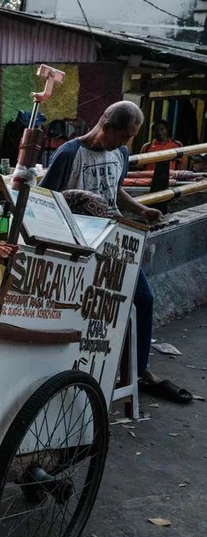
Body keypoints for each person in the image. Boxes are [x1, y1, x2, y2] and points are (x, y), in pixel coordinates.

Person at [40, 101, 192, 404]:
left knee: (144, 299)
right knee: (86, 310)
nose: (126, 143)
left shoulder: (120, 153)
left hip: (117, 242)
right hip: (80, 245)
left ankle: (138, 369)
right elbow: (44, 200)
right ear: (107, 127)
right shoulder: (70, 154)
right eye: (124, 136)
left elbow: (114, 189)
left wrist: (140, 209)